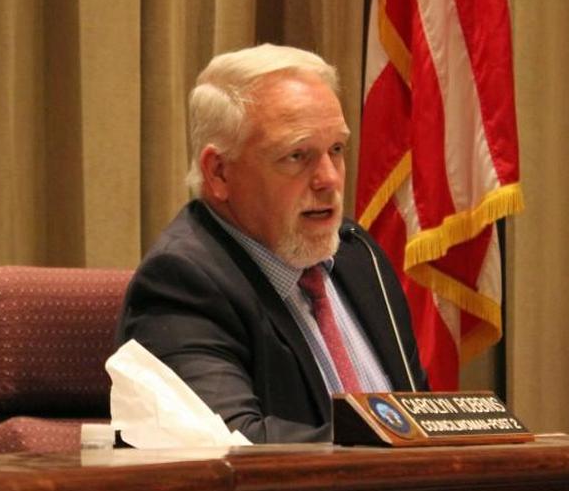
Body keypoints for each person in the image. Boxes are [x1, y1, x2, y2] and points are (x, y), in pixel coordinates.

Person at [116, 43, 428, 443]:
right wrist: (396, 441)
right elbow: (236, 447)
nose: (329, 179)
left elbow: (421, 411)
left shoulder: (357, 256)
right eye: (297, 156)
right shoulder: (181, 284)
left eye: (336, 149)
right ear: (219, 173)